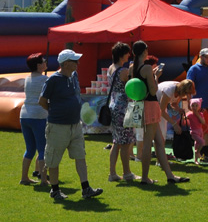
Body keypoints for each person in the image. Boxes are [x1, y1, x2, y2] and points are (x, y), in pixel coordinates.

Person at [38, 49, 103, 202]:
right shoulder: (53, 80)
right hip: (58, 126)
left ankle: (86, 188)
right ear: (66, 63)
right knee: (53, 159)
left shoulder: (74, 76)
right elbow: (42, 101)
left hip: (75, 125)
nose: (78, 63)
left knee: (80, 155)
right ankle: (55, 190)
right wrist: (55, 112)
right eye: (74, 61)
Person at [130, 41, 189, 185]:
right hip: (150, 106)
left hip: (142, 104)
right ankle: (145, 178)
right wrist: (156, 76)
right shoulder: (147, 68)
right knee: (148, 143)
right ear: (144, 51)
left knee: (159, 143)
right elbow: (153, 90)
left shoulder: (132, 68)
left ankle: (170, 176)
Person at [106, 42, 136, 182]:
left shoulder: (111, 68)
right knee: (125, 142)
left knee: (116, 141)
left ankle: (112, 173)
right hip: (123, 108)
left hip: (114, 105)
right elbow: (131, 88)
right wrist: (131, 72)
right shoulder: (123, 71)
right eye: (127, 53)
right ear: (121, 55)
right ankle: (127, 173)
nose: (129, 55)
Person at [19, 53, 49, 186]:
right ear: (38, 65)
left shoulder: (27, 78)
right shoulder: (44, 79)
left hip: (25, 115)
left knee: (30, 149)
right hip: (38, 115)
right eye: (43, 61)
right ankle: (43, 179)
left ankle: (24, 177)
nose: (45, 62)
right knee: (42, 148)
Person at [157, 78, 196, 150]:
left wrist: (178, 109)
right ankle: (158, 155)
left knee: (162, 134)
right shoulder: (169, 90)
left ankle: (160, 155)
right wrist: (174, 124)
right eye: (187, 93)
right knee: (159, 133)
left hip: (160, 107)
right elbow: (161, 111)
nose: (187, 95)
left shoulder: (180, 90)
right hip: (153, 105)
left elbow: (173, 104)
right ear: (183, 90)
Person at [186, 98, 207, 164]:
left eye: (196, 106)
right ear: (190, 107)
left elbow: (203, 122)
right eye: (193, 106)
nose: (194, 107)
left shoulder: (200, 114)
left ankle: (196, 160)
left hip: (200, 131)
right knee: (202, 142)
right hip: (194, 132)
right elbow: (184, 119)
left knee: (197, 145)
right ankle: (197, 152)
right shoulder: (190, 114)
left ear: (199, 107)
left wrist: (197, 115)